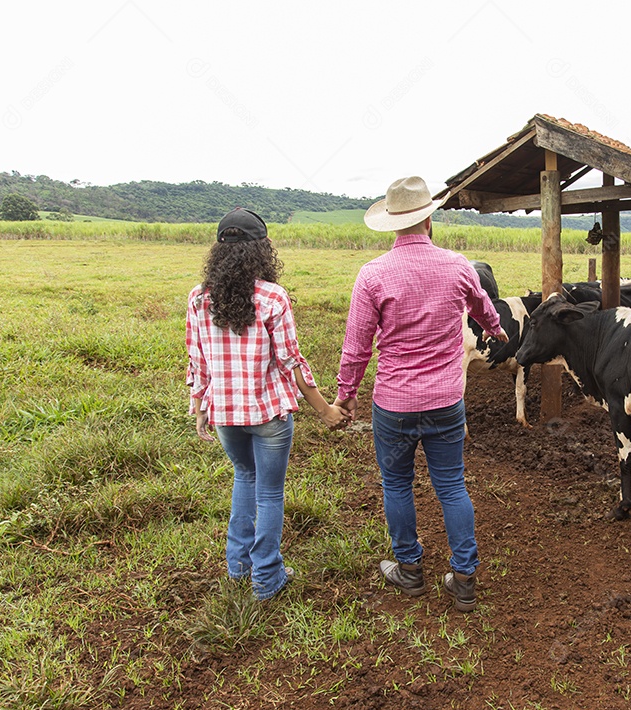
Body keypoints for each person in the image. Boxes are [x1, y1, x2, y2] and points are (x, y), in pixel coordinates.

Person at [335, 177, 507, 612]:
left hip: (393, 403)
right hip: (446, 400)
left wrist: (346, 394)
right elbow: (484, 306)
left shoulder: (372, 274)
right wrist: (495, 329)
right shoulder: (457, 265)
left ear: (393, 224)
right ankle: (464, 577)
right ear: (428, 219)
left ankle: (410, 570)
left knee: (396, 483)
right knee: (451, 484)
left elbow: (357, 345)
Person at [186, 208, 349, 601]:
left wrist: (200, 406)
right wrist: (325, 409)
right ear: (263, 249)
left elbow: (197, 360)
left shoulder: (197, 298)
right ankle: (267, 577)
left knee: (245, 477)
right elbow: (292, 361)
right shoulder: (273, 296)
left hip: (225, 414)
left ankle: (238, 565)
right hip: (269, 413)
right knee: (270, 494)